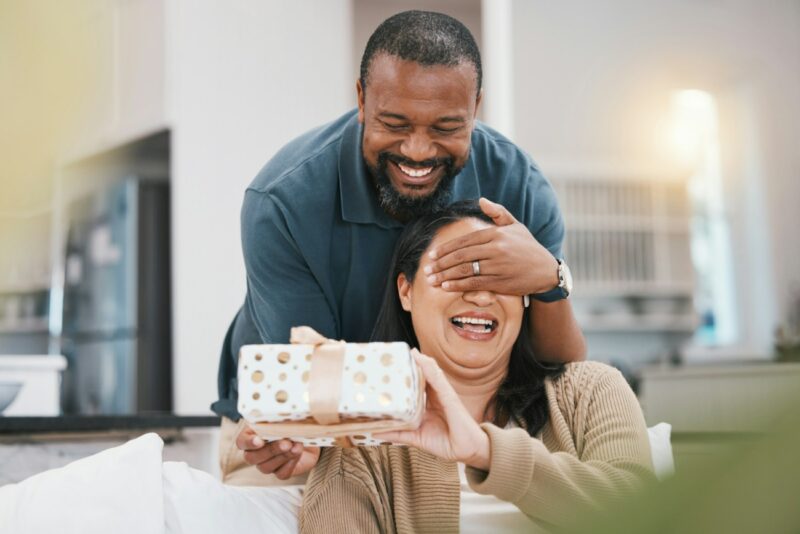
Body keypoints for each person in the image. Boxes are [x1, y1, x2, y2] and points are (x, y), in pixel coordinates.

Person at [214, 10, 586, 485]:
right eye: (394, 122)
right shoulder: (283, 203)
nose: (417, 150)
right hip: (312, 418)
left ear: (476, 107)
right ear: (361, 99)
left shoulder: (519, 187)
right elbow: (313, 381)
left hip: (451, 422)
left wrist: (550, 277)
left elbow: (559, 363)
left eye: (446, 128)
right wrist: (300, 438)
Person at [299, 201, 655, 533]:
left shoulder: (592, 390)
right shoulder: (363, 434)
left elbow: (644, 515)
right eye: (455, 273)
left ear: (526, 296)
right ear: (406, 292)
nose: (482, 296)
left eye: (501, 278)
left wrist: (485, 451)